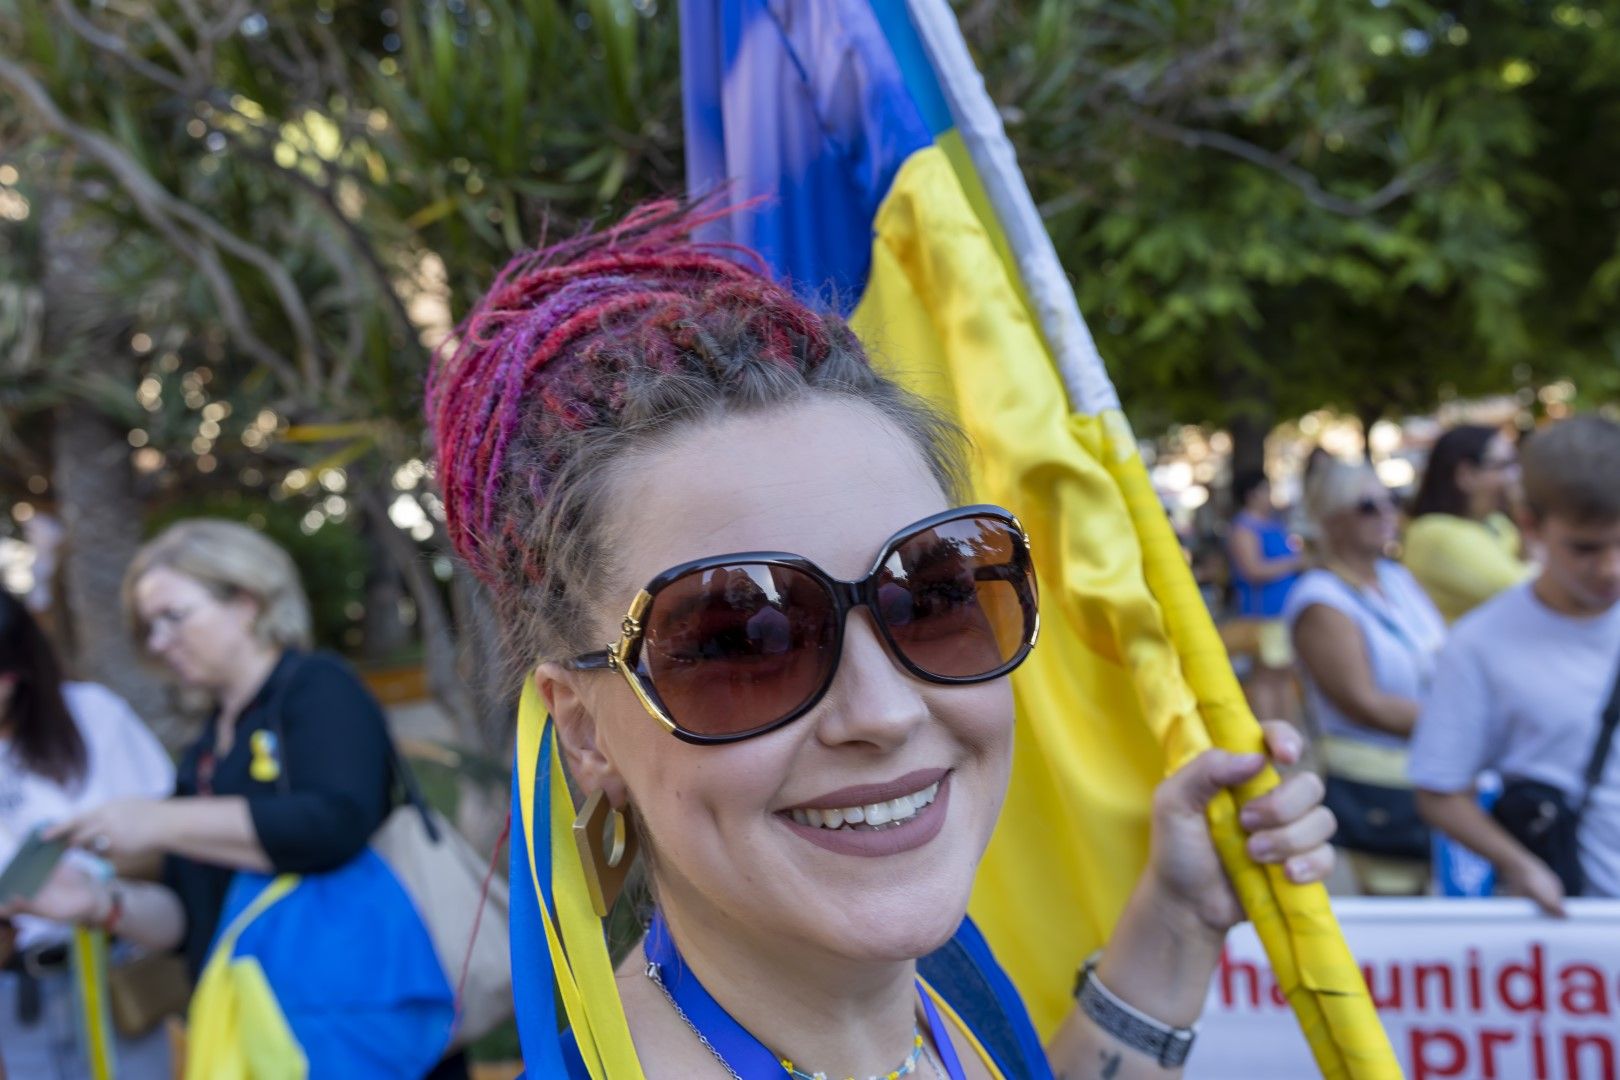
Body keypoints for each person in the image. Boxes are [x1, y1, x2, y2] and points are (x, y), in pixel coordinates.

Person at [427, 202, 1336, 1077]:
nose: (886, 711)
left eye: (932, 595)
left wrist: (1177, 922)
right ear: (584, 731)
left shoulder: (951, 991)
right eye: (743, 642)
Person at [8, 520, 463, 1077]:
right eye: (150, 628)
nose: (159, 643)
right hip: (260, 1034)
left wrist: (159, 821)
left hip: (361, 1021)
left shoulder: (317, 686)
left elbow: (336, 822)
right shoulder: (205, 746)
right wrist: (102, 905)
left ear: (247, 601)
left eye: (173, 617)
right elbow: (187, 916)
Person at [1412, 416, 1620, 914]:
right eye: (1585, 548)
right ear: (1531, 524)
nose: (1611, 568)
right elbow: (1439, 789)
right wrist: (1521, 866)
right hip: (1582, 933)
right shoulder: (1480, 643)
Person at [0, 590, 174, 1079]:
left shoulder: (92, 715)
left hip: (112, 964)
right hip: (14, 990)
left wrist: (89, 871)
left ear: (16, 670)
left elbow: (167, 834)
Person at [1284, 461, 1445, 895]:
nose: (1387, 513)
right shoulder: (1320, 599)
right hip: (1378, 785)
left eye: (1391, 499)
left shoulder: (1396, 578)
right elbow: (1363, 702)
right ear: (1330, 520)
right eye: (1368, 506)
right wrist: (1457, 724)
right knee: (1399, 916)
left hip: (1430, 771)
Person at [1403, 424, 1530, 622]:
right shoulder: (1434, 533)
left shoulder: (1495, 522)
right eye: (1504, 465)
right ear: (1466, 475)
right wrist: (1526, 509)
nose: (1515, 476)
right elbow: (1531, 593)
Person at [1225, 470, 1304, 722]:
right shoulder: (1244, 528)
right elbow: (1252, 569)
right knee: (1267, 676)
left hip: (1283, 611)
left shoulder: (1272, 523)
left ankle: (1286, 731)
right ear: (1252, 494)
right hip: (1264, 614)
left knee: (1282, 676)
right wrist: (1293, 563)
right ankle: (1272, 733)